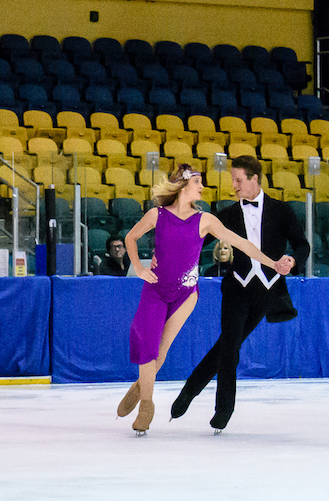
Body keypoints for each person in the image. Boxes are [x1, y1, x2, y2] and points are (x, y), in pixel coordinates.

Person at [115, 164, 288, 435]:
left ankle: (141, 388)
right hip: (156, 289)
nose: (202, 187)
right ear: (184, 185)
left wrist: (272, 263)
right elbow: (131, 237)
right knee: (147, 341)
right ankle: (146, 402)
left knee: (161, 349)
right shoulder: (157, 215)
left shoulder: (205, 220)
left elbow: (242, 243)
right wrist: (138, 267)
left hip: (186, 294)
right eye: (198, 182)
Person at [170, 156, 309, 431]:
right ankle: (224, 408)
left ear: (254, 179)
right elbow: (198, 240)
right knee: (230, 345)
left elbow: (301, 244)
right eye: (233, 180)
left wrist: (292, 261)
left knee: (227, 345)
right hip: (237, 287)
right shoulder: (229, 215)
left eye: (238, 180)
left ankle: (189, 390)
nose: (233, 185)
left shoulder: (281, 211)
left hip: (267, 290)